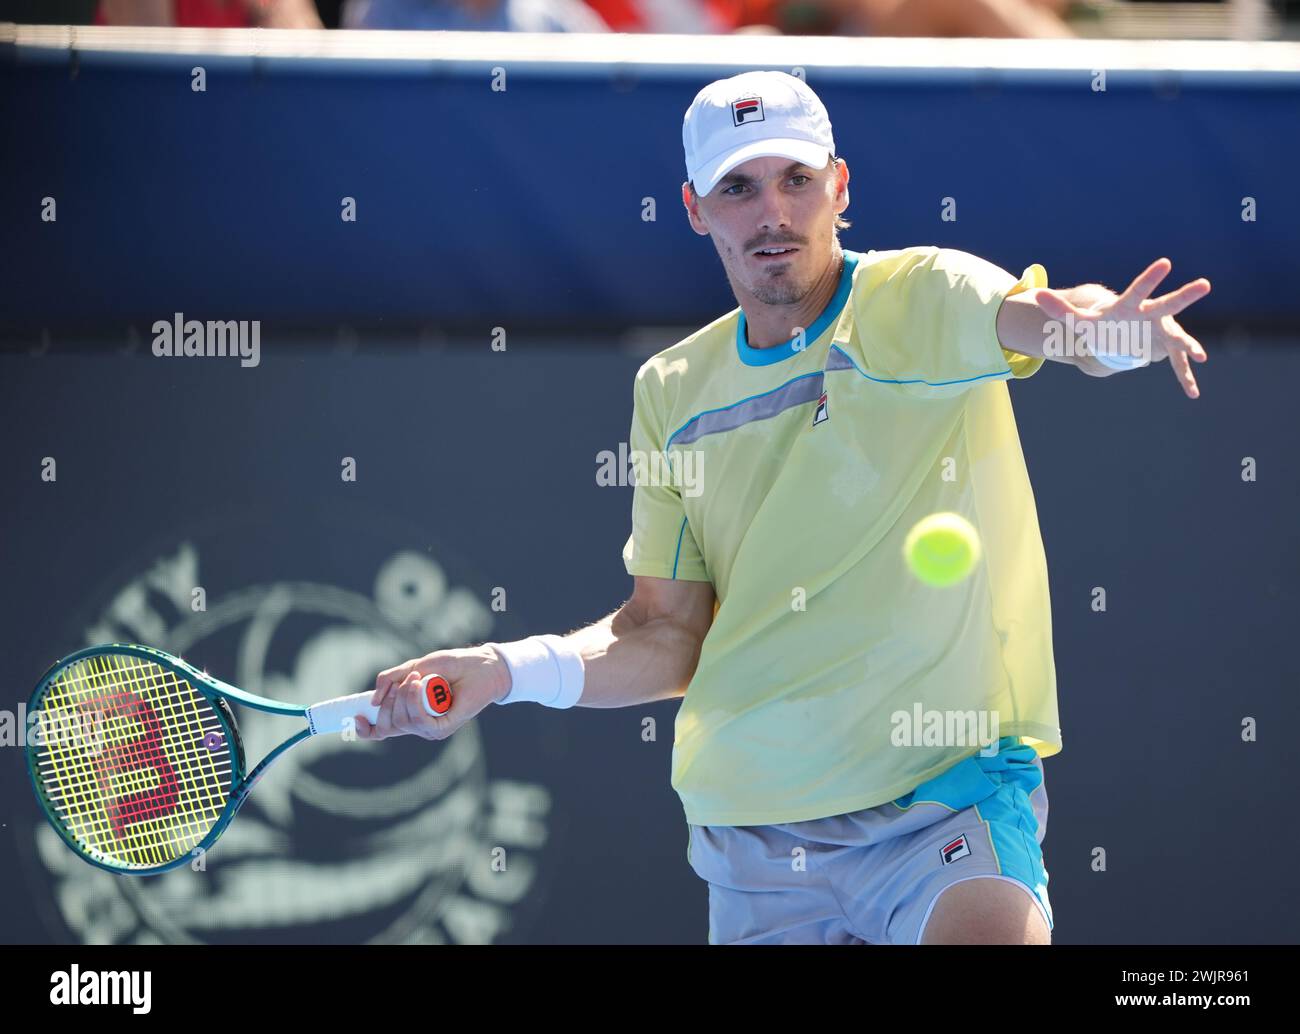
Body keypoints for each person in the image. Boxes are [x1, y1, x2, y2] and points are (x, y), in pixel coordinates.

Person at [357, 70, 1210, 944]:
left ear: (839, 188)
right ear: (695, 208)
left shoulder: (922, 296)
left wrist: (1112, 335)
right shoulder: (672, 390)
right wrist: (503, 670)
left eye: (795, 180)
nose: (772, 212)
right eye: (739, 187)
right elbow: (665, 636)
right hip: (756, 835)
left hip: (945, 797)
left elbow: (1054, 321)